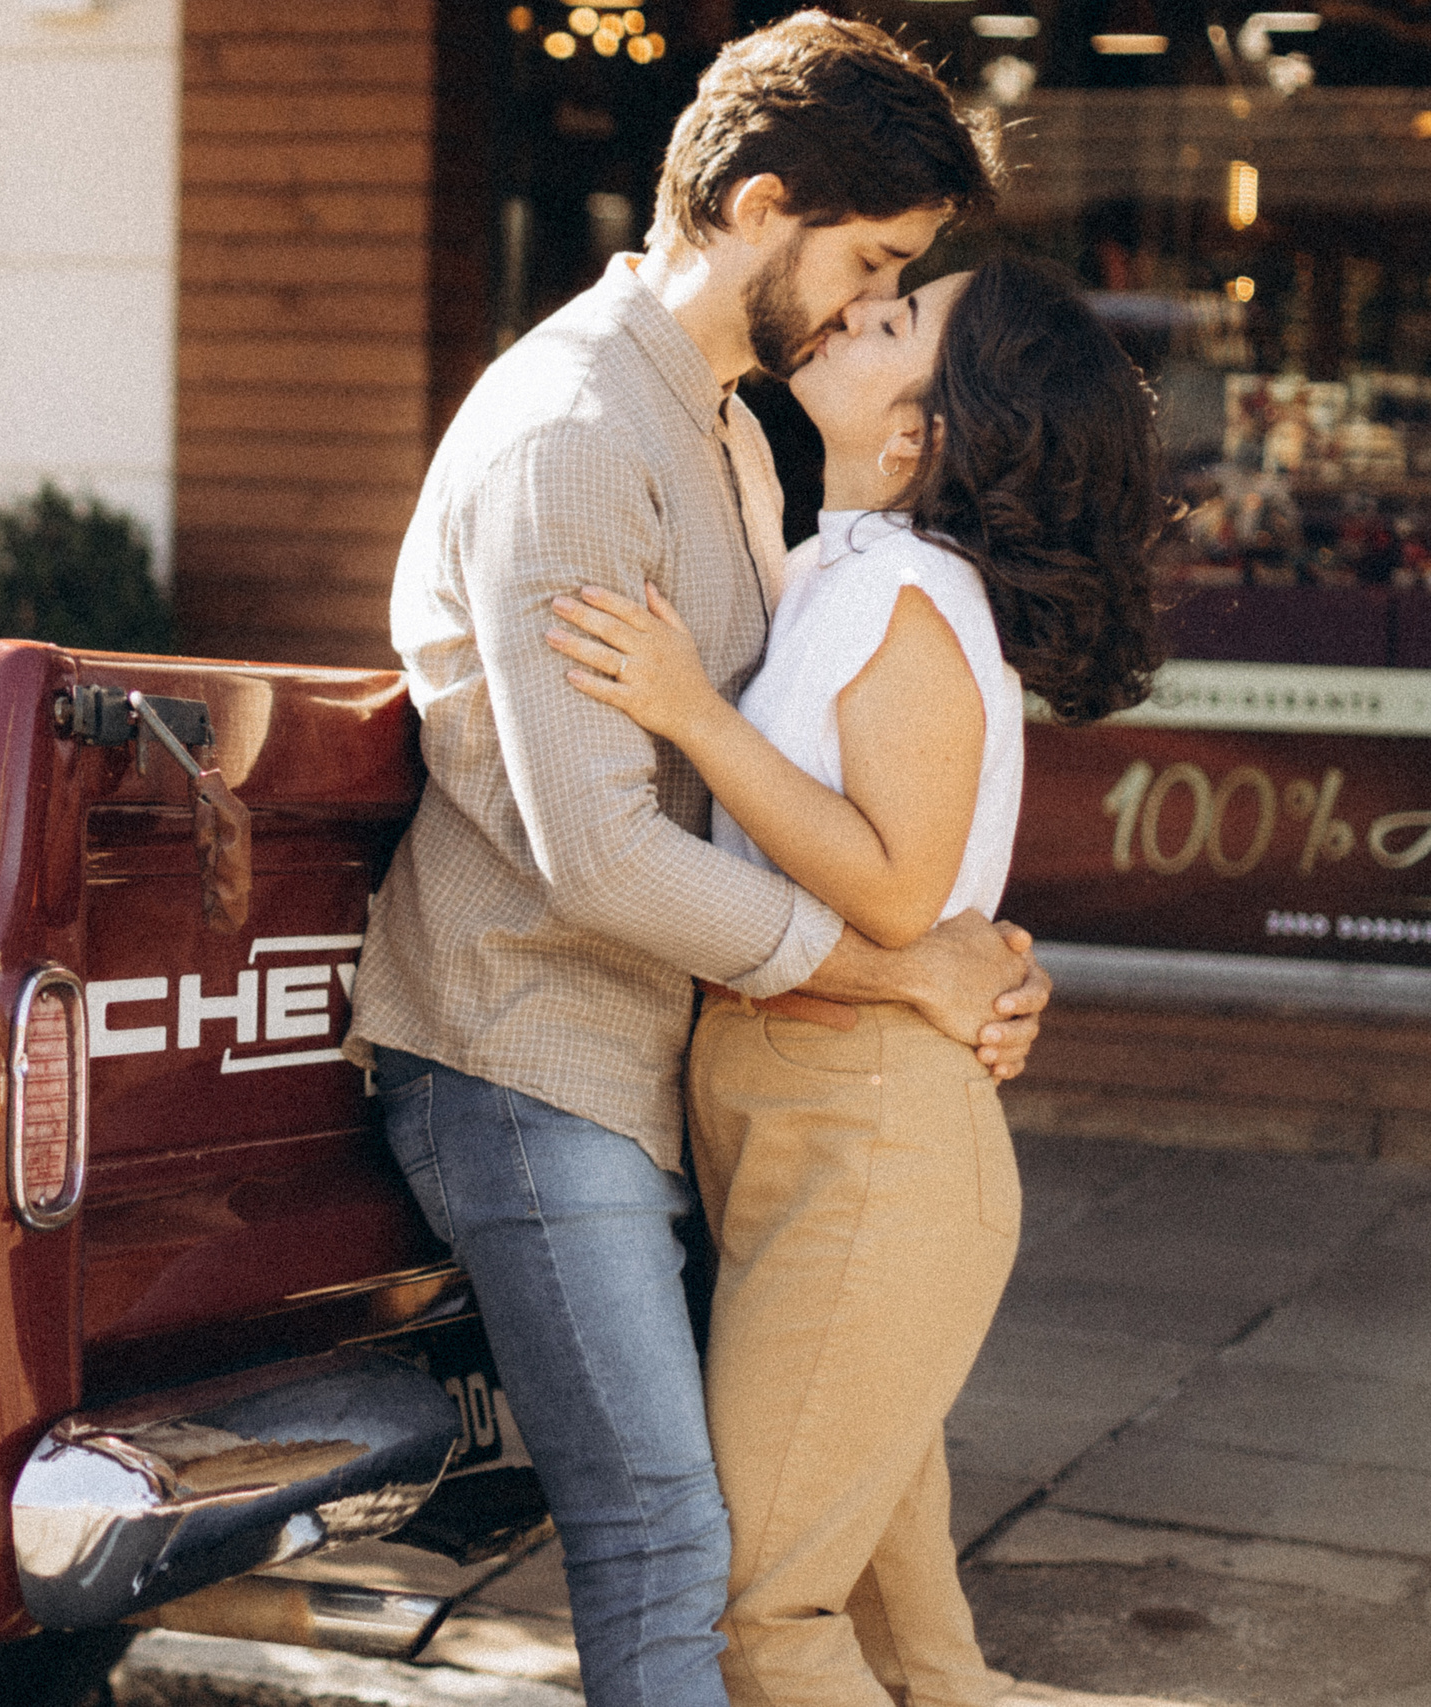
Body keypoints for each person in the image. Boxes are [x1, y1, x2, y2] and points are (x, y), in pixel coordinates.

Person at [342, 16, 1049, 1707]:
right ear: (754, 201)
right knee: (668, 1529)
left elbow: (781, 777)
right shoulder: (573, 432)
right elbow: (597, 851)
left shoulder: (726, 426)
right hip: (532, 1053)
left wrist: (979, 954)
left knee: (767, 1521)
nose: (874, 304)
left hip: (673, 1053)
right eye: (869, 260)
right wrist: (903, 970)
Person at [548, 256, 1164, 1706]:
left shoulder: (908, 599)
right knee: (921, 1657)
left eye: (896, 323)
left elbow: (894, 887)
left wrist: (690, 713)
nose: (854, 311)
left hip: (869, 1138)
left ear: (923, 432)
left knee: (758, 1612)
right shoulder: (850, 571)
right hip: (814, 1122)